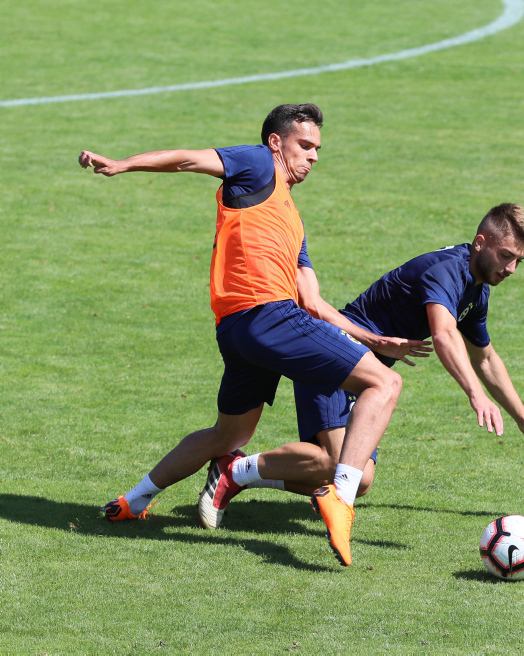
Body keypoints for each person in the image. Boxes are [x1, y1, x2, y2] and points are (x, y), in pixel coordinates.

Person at [78, 103, 430, 566]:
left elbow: (314, 303)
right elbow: (188, 159)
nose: (314, 156)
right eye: (305, 145)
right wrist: (124, 164)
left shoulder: (293, 222)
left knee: (228, 434)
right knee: (385, 383)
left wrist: (374, 340)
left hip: (237, 330)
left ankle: (132, 501)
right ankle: (341, 497)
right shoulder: (258, 163)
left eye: (318, 149)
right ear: (276, 142)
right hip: (269, 316)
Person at [198, 203, 524, 529]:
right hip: (335, 358)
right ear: (480, 243)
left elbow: (486, 358)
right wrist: (475, 395)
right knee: (336, 463)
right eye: (506, 256)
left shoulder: (476, 290)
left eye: (519, 261)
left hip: (363, 375)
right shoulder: (448, 271)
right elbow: (443, 334)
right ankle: (233, 470)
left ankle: (237, 472)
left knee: (360, 479)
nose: (511, 268)